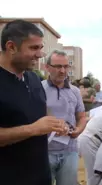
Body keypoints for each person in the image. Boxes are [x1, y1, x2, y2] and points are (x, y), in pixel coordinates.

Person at [0, 20, 67, 185]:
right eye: (33, 48)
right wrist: (34, 129)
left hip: (40, 176)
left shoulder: (34, 78)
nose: (40, 54)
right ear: (11, 47)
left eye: (41, 47)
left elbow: (39, 112)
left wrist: (55, 124)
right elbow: (35, 126)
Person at [43, 50, 87, 185]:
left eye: (66, 66)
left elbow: (81, 116)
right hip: (45, 151)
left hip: (70, 151)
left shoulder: (75, 91)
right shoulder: (39, 89)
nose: (62, 70)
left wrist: (78, 130)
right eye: (57, 66)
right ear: (47, 67)